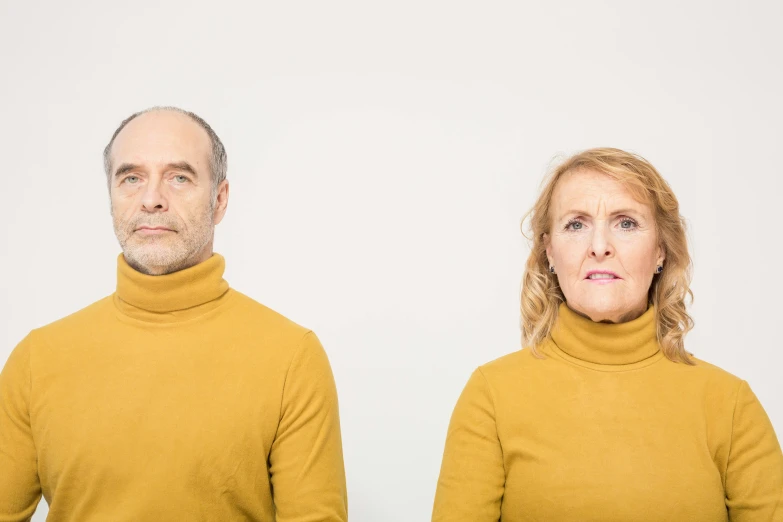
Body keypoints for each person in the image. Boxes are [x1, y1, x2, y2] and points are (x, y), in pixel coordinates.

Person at [0, 107, 348, 521]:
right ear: (111, 196)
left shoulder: (292, 357)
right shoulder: (37, 359)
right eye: (131, 178)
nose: (151, 200)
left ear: (219, 200)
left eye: (179, 177)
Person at [432, 148, 783, 521]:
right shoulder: (491, 394)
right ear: (549, 252)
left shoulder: (730, 404)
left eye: (626, 223)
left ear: (661, 250)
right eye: (576, 224)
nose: (600, 247)